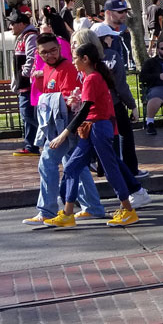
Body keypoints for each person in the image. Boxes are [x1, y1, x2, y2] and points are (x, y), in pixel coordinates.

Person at [42, 44, 140, 228]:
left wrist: (63, 134)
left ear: (85, 59)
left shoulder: (92, 78)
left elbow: (85, 109)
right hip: (92, 128)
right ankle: (68, 214)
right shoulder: (92, 77)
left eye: (75, 58)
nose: (73, 62)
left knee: (110, 169)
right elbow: (87, 108)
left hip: (98, 128)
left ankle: (128, 210)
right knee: (71, 167)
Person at [22, 34, 106, 226]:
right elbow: (48, 96)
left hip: (67, 127)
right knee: (76, 166)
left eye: (53, 50)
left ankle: (47, 211)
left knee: (47, 162)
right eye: (45, 52)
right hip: (59, 126)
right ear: (38, 53)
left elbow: (72, 101)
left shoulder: (68, 68)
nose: (50, 55)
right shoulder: (47, 69)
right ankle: (93, 207)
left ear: (59, 47)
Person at [92, 2, 145, 179]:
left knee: (102, 136)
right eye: (120, 11)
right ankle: (129, 171)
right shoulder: (111, 55)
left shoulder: (87, 57)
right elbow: (120, 83)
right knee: (122, 134)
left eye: (125, 11)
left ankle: (103, 168)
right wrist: (132, 104)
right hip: (112, 101)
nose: (123, 14)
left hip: (93, 103)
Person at [8, 11, 40, 156]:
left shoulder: (30, 36)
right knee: (27, 116)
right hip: (24, 84)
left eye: (13, 23)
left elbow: (32, 58)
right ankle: (30, 145)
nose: (10, 26)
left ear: (22, 24)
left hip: (28, 85)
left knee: (28, 115)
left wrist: (24, 75)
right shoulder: (22, 37)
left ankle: (47, 137)